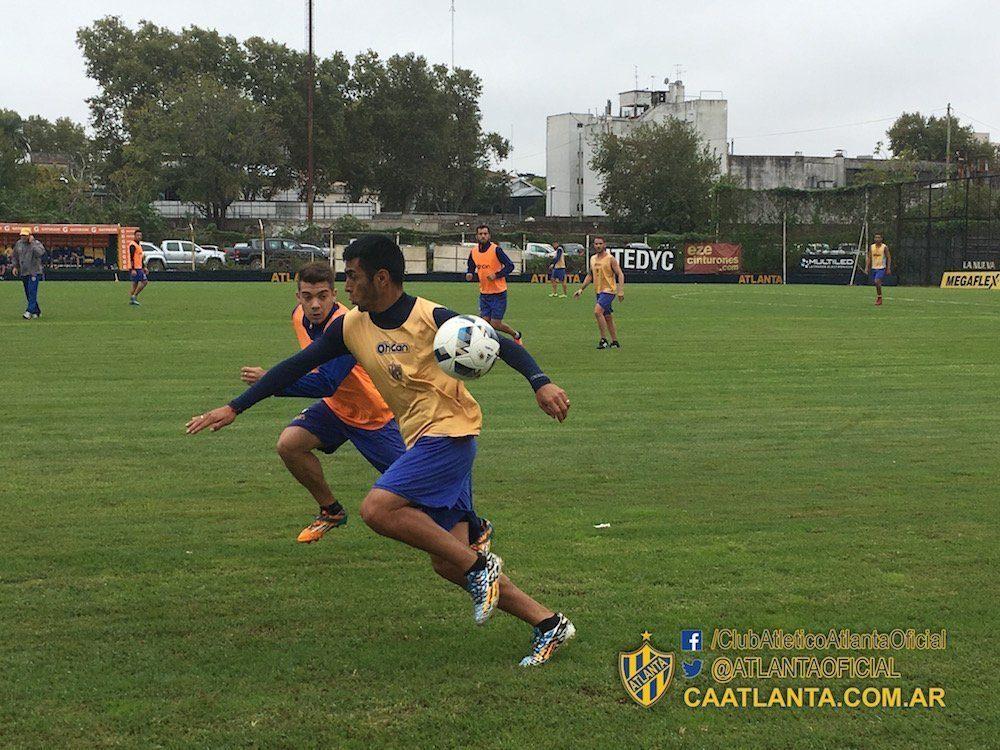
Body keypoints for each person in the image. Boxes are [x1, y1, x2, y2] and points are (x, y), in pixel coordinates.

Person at [189, 235, 574, 667]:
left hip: (452, 433)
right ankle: (548, 623)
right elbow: (293, 369)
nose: (346, 286)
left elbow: (500, 344)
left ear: (382, 277)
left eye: (352, 276)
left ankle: (480, 567)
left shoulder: (432, 317)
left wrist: (540, 381)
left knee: (377, 508)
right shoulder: (353, 326)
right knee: (448, 561)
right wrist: (234, 407)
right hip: (421, 439)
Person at [465, 224, 522, 341]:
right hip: (484, 293)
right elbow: (471, 264)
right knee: (484, 324)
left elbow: (510, 266)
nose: (483, 236)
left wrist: (496, 275)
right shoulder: (474, 251)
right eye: (480, 234)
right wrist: (470, 272)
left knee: (495, 324)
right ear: (476, 236)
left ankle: (516, 335)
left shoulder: (496, 250)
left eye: (485, 234)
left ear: (489, 235)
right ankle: (489, 348)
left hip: (498, 293)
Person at [573, 236, 625, 349]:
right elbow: (590, 275)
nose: (598, 246)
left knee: (597, 312)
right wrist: (581, 289)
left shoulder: (610, 259)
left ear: (604, 245)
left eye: (600, 243)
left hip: (609, 291)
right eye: (596, 244)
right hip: (598, 291)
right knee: (607, 316)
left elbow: (620, 274)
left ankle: (603, 340)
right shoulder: (592, 259)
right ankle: (615, 341)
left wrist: (620, 290)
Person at [12, 228, 45, 320]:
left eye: (25, 235)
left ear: (30, 235)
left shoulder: (36, 244)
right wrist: (15, 266)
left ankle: (29, 311)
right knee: (28, 292)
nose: (23, 237)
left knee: (32, 291)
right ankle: (36, 311)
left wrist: (33, 243)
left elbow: (41, 253)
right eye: (22, 235)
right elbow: (15, 256)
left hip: (34, 271)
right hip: (24, 271)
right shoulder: (18, 244)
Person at [865, 233, 892, 306]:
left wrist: (888, 268)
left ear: (881, 239)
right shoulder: (872, 247)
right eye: (875, 237)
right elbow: (869, 257)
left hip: (881, 268)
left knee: (877, 281)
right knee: (877, 283)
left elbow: (888, 257)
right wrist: (867, 267)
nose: (877, 239)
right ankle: (879, 295)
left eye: (878, 237)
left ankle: (879, 298)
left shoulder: (884, 247)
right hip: (874, 267)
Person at [128, 231, 149, 305]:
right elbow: (131, 258)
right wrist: (133, 269)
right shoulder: (132, 245)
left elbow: (140, 258)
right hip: (136, 268)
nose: (139, 237)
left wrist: (144, 267)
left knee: (135, 284)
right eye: (137, 235)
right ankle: (134, 296)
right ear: (134, 236)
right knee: (145, 281)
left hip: (139, 267)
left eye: (140, 235)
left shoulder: (139, 245)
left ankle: (132, 300)